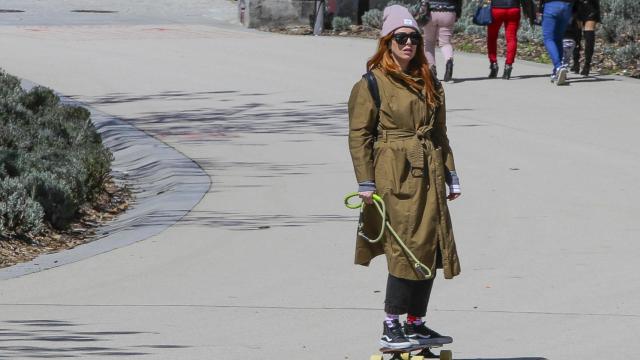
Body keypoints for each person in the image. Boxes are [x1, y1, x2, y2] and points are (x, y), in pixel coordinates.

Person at [347, 5, 462, 349]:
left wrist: (451, 175)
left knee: (430, 246)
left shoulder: (430, 81)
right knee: (404, 247)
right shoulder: (371, 83)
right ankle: (391, 324)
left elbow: (439, 132)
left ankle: (416, 322)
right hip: (392, 175)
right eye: (401, 38)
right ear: (387, 42)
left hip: (428, 173)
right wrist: (366, 182)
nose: (409, 43)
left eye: (413, 37)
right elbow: (359, 136)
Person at [486, 0, 537, 79]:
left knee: (492, 37)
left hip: (496, 8)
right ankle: (508, 67)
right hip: (513, 8)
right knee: (511, 38)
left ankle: (493, 64)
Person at [423, 0, 462, 82]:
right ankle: (449, 61)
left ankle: (431, 67)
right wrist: (457, 13)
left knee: (429, 43)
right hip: (449, 12)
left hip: (430, 12)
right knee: (445, 43)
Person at [538, 0, 575, 85]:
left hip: (551, 5)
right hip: (567, 6)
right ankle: (556, 72)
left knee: (548, 38)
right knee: (558, 38)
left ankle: (558, 67)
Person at [572, 0, 600, 76]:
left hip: (578, 4)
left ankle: (576, 63)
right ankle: (587, 65)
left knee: (577, 33)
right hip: (592, 4)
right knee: (589, 32)